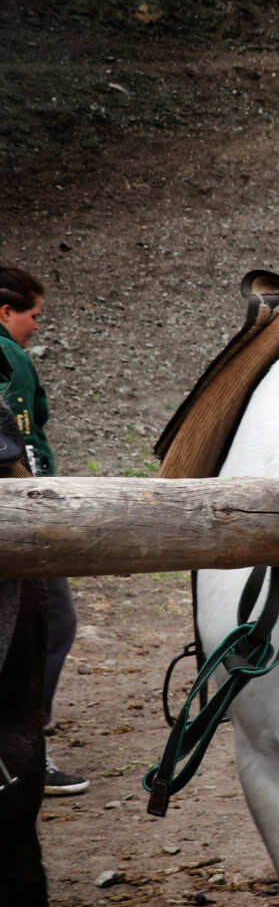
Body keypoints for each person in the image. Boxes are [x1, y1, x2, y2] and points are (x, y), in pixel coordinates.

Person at [0, 264, 88, 797]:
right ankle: (27, 744)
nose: (37, 327)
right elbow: (24, 440)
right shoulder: (9, 359)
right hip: (21, 513)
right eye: (34, 316)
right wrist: (42, 510)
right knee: (52, 621)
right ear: (6, 312)